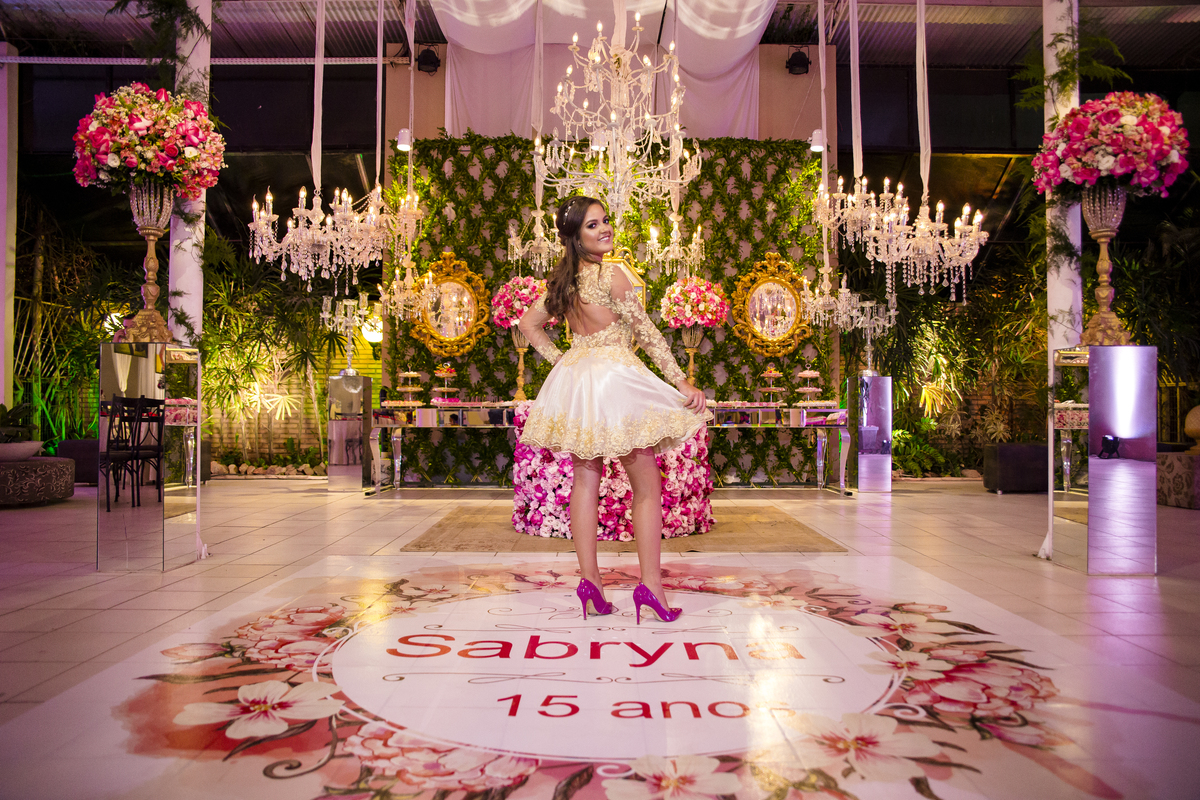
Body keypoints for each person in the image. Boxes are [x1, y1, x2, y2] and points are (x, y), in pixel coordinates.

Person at [517, 196, 709, 624]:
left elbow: (528, 325)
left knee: (585, 482)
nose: (604, 228)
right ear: (575, 236)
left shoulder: (563, 283)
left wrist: (565, 362)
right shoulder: (612, 275)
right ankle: (651, 588)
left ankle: (591, 585)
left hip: (581, 384)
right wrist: (680, 380)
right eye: (592, 225)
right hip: (617, 382)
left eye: (604, 220)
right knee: (648, 486)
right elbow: (647, 333)